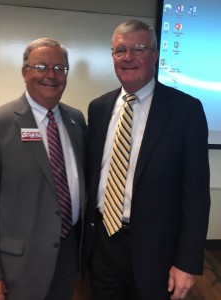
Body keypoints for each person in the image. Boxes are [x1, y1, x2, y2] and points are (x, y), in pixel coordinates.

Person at [82, 19, 210, 300]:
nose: (128, 57)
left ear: (155, 55)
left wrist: (186, 263)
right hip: (103, 245)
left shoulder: (185, 110)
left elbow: (196, 196)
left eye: (138, 48)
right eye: (120, 50)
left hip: (157, 251)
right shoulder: (99, 108)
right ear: (112, 56)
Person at [0, 38, 86, 300]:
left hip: (66, 255)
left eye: (59, 68)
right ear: (24, 72)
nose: (51, 75)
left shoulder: (76, 120)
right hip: (15, 266)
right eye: (41, 66)